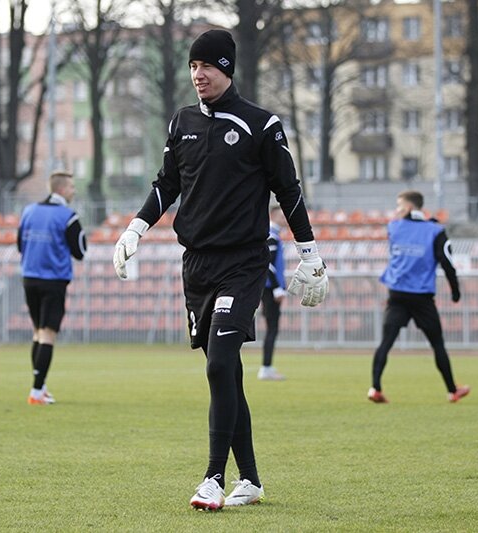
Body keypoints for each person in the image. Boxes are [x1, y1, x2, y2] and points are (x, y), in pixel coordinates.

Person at [112, 29, 328, 511]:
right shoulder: (182, 122)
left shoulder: (261, 124)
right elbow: (167, 184)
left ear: (227, 68)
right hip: (196, 265)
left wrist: (310, 253)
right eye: (193, 66)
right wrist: (135, 228)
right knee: (226, 373)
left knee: (218, 365)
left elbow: (288, 190)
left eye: (207, 65)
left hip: (243, 262)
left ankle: (213, 477)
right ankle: (250, 480)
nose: (198, 74)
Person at [368, 190, 469, 404]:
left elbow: (403, 234)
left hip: (396, 293)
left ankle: (375, 388)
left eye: (399, 206)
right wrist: (455, 290)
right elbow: (447, 262)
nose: (396, 211)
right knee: (437, 344)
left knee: (386, 342)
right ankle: (452, 391)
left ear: (408, 208)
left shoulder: (394, 227)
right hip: (421, 296)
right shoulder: (435, 231)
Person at [17, 171, 87, 405]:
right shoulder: (67, 216)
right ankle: (36, 391)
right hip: (53, 280)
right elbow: (80, 251)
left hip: (29, 277)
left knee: (38, 332)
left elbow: (20, 244)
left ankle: (41, 386)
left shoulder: (28, 211)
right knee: (48, 334)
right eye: (72, 187)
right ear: (62, 189)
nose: (74, 191)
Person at [258, 205, 288, 381]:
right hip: (270, 288)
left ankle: (267, 366)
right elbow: (268, 264)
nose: (285, 219)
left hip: (271, 288)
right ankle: (266, 367)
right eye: (282, 216)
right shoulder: (271, 235)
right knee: (272, 328)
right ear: (274, 216)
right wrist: (277, 288)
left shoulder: (274, 235)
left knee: (273, 328)